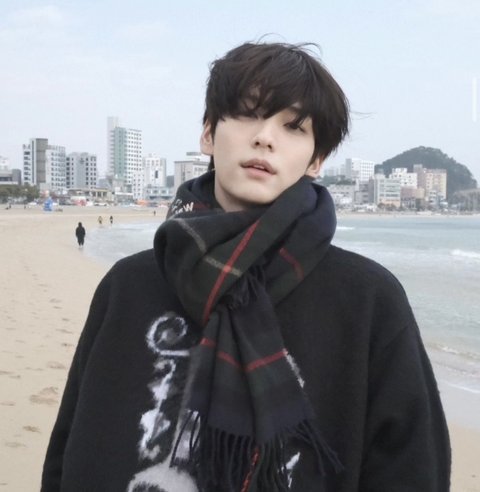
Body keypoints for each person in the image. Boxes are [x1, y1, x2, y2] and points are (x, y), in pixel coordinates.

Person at [42, 41, 450, 491]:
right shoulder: (129, 285)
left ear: (316, 160)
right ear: (208, 133)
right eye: (247, 113)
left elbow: (413, 467)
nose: (265, 137)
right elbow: (70, 447)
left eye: (294, 127)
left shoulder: (367, 300)